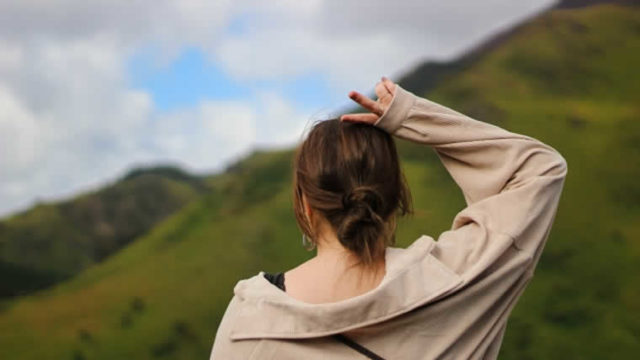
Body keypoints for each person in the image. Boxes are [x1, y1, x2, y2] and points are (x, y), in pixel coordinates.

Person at [209, 77, 568, 359]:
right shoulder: (460, 280)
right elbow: (539, 168)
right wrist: (409, 116)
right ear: (394, 197)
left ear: (305, 204)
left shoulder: (250, 322)